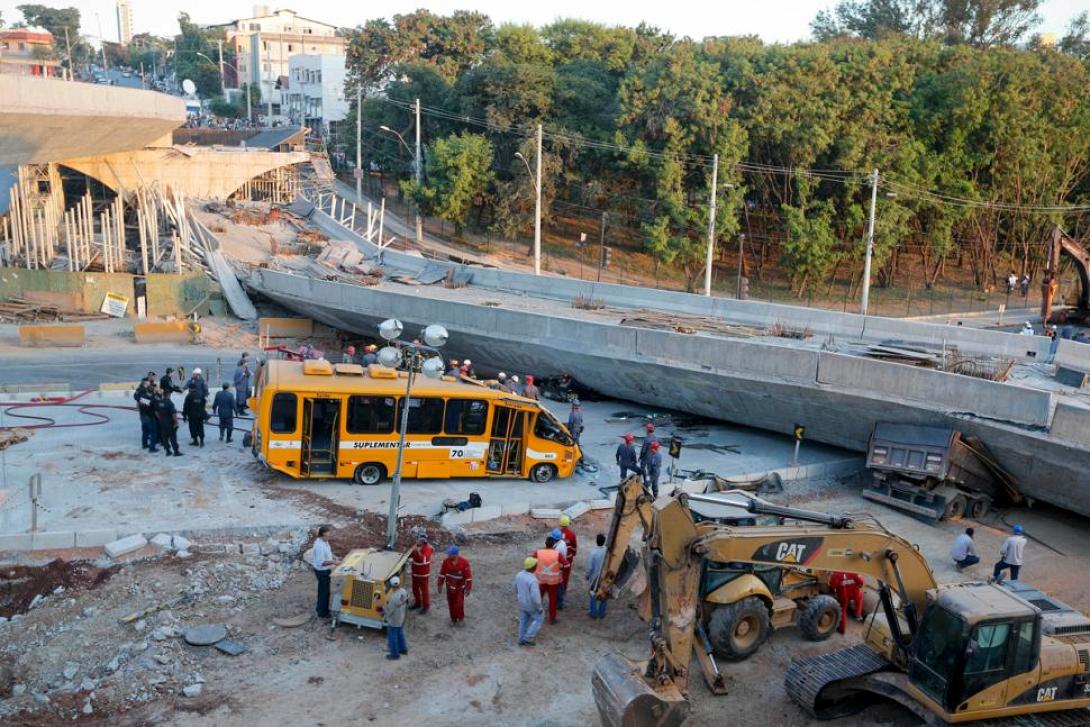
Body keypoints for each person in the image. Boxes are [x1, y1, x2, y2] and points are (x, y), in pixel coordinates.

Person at [437, 545, 472, 625]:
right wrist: (440, 584)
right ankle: (453, 619)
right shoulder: (446, 562)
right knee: (451, 603)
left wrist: (468, 588)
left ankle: (460, 618)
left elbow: (468, 577)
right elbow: (442, 574)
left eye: (450, 554)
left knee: (459, 604)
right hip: (449, 587)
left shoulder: (464, 563)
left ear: (455, 555)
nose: (448, 556)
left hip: (460, 588)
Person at [515, 557, 545, 646]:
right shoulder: (533, 580)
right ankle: (528, 637)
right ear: (534, 567)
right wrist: (539, 608)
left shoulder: (519, 574)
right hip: (531, 604)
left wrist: (520, 596)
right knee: (539, 618)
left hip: (522, 602)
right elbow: (535, 597)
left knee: (524, 619)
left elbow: (515, 587)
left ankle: (521, 638)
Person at [534, 536, 564, 625]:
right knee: (553, 600)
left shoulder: (538, 552)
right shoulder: (557, 554)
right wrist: (560, 568)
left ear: (545, 544)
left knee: (538, 598)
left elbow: (530, 560)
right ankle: (552, 618)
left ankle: (535, 614)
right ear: (553, 544)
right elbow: (566, 564)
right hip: (553, 581)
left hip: (541, 580)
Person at [311, 526, 338, 619]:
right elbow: (321, 562)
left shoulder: (324, 542)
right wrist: (334, 562)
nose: (328, 538)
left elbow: (327, 554)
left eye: (329, 535)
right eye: (326, 536)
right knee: (324, 592)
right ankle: (322, 613)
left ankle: (321, 609)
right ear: (321, 535)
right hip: (322, 571)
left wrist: (333, 558)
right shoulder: (319, 546)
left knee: (323, 590)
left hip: (324, 570)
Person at [383, 576, 409, 660]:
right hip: (401, 616)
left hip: (394, 620)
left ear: (391, 585)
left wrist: (383, 609)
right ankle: (403, 649)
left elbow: (389, 611)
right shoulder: (403, 592)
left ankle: (395, 654)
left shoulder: (393, 598)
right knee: (400, 633)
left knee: (392, 636)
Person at [152, 386, 182, 457]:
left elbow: (156, 411)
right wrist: (176, 422)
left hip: (162, 422)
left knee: (164, 437)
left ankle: (168, 451)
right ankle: (176, 451)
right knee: (172, 437)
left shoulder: (160, 402)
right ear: (168, 395)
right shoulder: (169, 403)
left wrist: (160, 418)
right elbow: (173, 414)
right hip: (169, 422)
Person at [408, 531, 433, 614]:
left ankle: (426, 606)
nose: (417, 541)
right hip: (415, 573)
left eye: (419, 540)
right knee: (415, 589)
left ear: (423, 540)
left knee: (424, 590)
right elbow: (410, 554)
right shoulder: (416, 546)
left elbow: (423, 559)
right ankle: (418, 603)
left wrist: (416, 552)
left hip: (423, 574)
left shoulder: (428, 549)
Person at [586, 534, 608, 619]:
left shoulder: (593, 553)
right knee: (604, 593)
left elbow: (589, 567)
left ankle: (593, 612)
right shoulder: (606, 551)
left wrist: (587, 575)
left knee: (593, 594)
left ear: (596, 541)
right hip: (604, 576)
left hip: (594, 577)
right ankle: (602, 612)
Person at [134, 379, 158, 452]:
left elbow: (138, 405)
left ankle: (144, 445)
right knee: (153, 433)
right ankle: (152, 448)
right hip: (150, 417)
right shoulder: (153, 399)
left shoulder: (141, 397)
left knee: (145, 432)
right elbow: (156, 410)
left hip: (142, 416)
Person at [558, 516, 578, 600]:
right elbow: (574, 547)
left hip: (558, 558)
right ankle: (563, 591)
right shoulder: (572, 534)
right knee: (565, 576)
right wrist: (573, 554)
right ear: (568, 524)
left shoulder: (556, 533)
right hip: (568, 558)